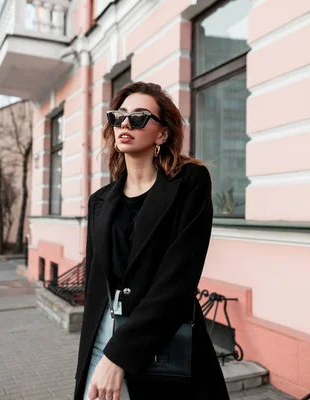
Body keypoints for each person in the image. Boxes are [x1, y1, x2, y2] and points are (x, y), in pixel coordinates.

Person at [74, 82, 230, 400]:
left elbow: (177, 282)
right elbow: (95, 286)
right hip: (101, 344)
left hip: (163, 344)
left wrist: (119, 354)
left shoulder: (189, 184)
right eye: (119, 116)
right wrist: (99, 354)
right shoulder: (100, 201)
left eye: (140, 117)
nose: (126, 124)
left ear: (161, 134)